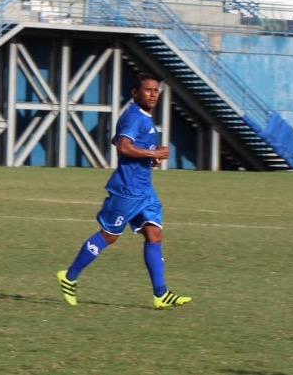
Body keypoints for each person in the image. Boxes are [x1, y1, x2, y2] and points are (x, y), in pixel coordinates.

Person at [56, 73, 192, 311]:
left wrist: (147, 158)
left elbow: (116, 139)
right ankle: (69, 276)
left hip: (144, 189)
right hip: (127, 189)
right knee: (109, 236)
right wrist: (153, 154)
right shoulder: (134, 116)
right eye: (148, 90)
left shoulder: (140, 117)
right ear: (135, 92)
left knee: (154, 235)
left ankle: (160, 294)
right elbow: (122, 145)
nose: (153, 94)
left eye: (155, 91)